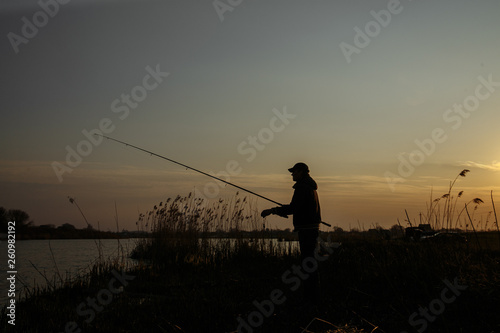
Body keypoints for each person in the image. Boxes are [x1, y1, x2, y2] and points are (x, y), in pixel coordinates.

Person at [261, 162, 321, 304]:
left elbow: (293, 208)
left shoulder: (302, 187)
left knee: (308, 263)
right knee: (310, 262)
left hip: (307, 230)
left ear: (301, 172)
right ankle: (313, 296)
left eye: (294, 172)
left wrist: (272, 211)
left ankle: (310, 298)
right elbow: (298, 208)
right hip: (312, 229)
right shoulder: (310, 187)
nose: (292, 174)